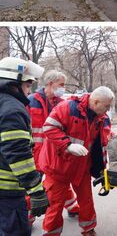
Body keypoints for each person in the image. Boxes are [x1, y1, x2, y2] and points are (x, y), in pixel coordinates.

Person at [40, 87, 113, 236]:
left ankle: (89, 229)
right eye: (106, 106)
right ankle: (51, 233)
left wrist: (101, 169)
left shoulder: (102, 117)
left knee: (86, 200)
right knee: (55, 205)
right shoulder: (67, 107)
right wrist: (67, 145)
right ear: (96, 101)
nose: (108, 110)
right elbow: (48, 127)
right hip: (59, 166)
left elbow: (101, 142)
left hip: (82, 165)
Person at [0, 57, 48, 234]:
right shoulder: (12, 109)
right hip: (7, 193)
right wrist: (36, 190)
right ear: (14, 83)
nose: (29, 91)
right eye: (28, 86)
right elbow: (18, 154)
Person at [27, 70, 80, 225]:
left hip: (53, 151)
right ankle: (28, 217)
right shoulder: (31, 101)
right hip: (34, 152)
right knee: (33, 184)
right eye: (61, 84)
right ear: (50, 84)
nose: (63, 88)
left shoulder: (62, 104)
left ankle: (71, 206)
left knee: (59, 180)